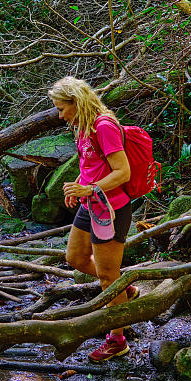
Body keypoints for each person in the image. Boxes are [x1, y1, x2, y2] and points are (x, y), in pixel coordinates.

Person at [49, 77, 140, 362]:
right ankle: (125, 289)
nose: (60, 115)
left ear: (77, 102)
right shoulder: (83, 127)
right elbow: (92, 166)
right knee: (75, 257)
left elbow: (122, 172)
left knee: (106, 276)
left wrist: (89, 188)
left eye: (62, 109)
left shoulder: (104, 126)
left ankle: (117, 340)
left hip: (111, 210)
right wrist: (78, 185)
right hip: (91, 204)